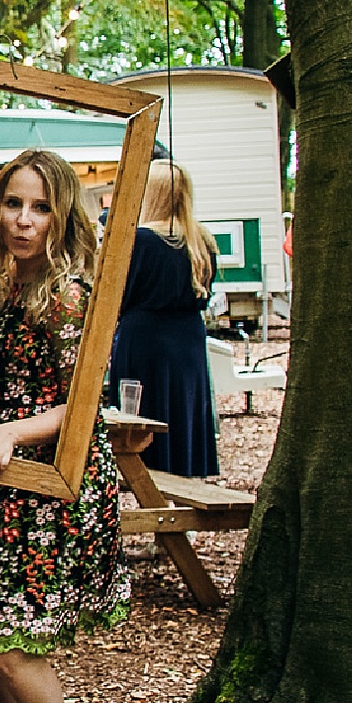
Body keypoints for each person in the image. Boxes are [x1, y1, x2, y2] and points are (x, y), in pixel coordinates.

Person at [0, 149, 131, 703]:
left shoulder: (67, 294)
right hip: (2, 482)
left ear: (63, 216)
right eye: (13, 203)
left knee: (11, 639)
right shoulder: (1, 278)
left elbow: (83, 403)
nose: (24, 220)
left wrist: (10, 431)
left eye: (40, 208)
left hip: (53, 484)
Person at [111, 159, 220, 475]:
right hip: (188, 339)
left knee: (143, 409)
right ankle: (184, 467)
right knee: (182, 408)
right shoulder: (202, 241)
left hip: (145, 338)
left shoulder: (141, 239)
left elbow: (121, 294)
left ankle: (142, 472)